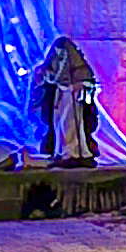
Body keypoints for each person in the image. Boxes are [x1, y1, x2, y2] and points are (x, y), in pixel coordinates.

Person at [39, 35, 102, 165]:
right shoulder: (53, 63)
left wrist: (80, 86)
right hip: (60, 98)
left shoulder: (79, 66)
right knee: (59, 126)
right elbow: (48, 77)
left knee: (73, 127)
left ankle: (75, 152)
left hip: (74, 99)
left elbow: (87, 80)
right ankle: (62, 151)